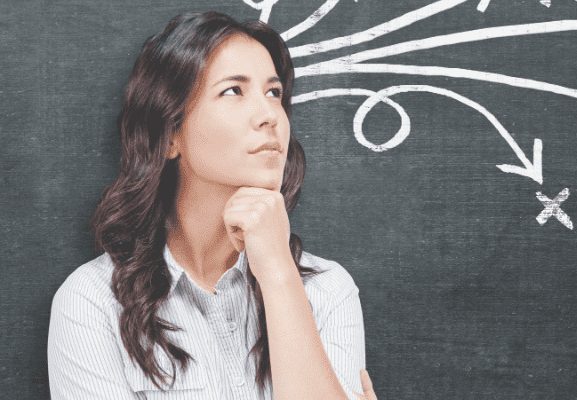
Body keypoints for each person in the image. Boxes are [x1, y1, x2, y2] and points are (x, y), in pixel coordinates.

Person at [47, 11, 378, 400]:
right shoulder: (93, 302)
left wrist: (278, 273)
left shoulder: (327, 290)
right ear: (171, 133)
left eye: (274, 93)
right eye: (233, 91)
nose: (270, 116)